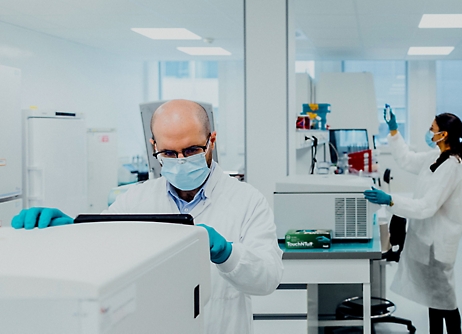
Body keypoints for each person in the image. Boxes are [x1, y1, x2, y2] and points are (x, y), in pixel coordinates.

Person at [11, 99, 284, 333]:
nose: (180, 160)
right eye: (168, 152)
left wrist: (228, 254)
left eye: (191, 150)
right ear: (153, 146)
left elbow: (267, 279)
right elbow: (98, 250)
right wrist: (67, 231)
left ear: (211, 141)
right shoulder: (135, 201)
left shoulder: (247, 201)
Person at [363, 109, 462, 334]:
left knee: (446, 302)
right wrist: (394, 131)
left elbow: (426, 206)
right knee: (435, 299)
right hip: (427, 239)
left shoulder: (451, 165)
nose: (429, 132)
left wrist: (391, 200)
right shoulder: (436, 156)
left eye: (432, 129)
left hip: (438, 243)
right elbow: (407, 159)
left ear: (444, 134)